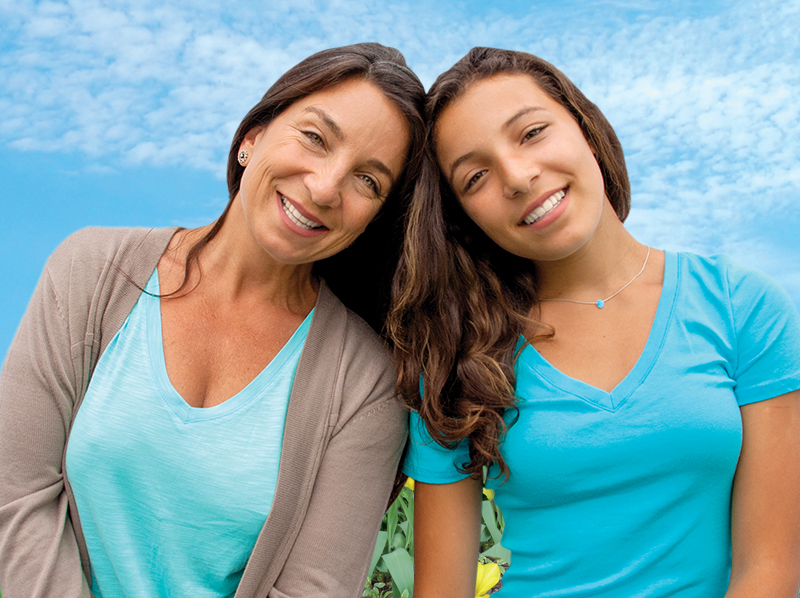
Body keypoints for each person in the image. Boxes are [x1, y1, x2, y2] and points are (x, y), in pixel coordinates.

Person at [0, 43, 425, 598]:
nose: (325, 187)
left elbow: (310, 589)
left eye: (368, 180)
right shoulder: (89, 270)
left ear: (377, 216)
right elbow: (15, 498)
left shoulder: (364, 382)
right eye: (315, 138)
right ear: (252, 139)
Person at [389, 47, 800, 597]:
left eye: (532, 132)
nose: (517, 176)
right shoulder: (459, 357)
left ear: (585, 128)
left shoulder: (740, 305)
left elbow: (769, 570)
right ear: (464, 218)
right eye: (475, 176)